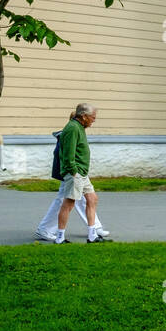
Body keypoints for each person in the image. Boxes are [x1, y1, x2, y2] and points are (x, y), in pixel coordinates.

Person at [48, 104, 109, 244]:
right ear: (83, 116)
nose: (93, 120)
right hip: (75, 173)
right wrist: (73, 172)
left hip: (82, 172)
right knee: (68, 204)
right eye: (92, 118)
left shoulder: (79, 127)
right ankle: (59, 238)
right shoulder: (73, 128)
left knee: (92, 199)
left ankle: (92, 235)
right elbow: (68, 154)